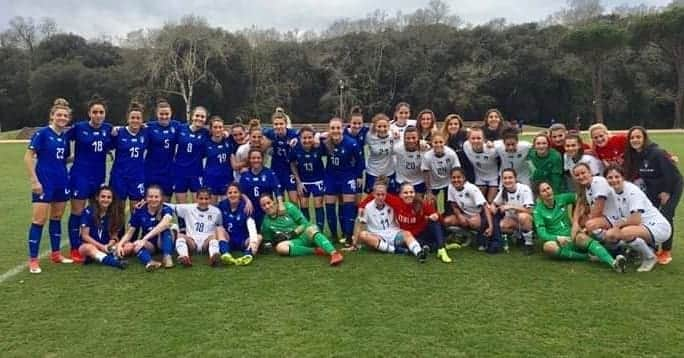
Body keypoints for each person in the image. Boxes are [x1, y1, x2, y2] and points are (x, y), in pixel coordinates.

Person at [25, 98, 75, 273]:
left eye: (65, 115)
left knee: (56, 218)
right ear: (52, 116)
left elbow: (64, 158)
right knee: (39, 220)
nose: (62, 118)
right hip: (44, 182)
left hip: (62, 180)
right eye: (59, 115)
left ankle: (56, 254)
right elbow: (28, 157)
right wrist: (34, 180)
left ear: (68, 118)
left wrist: (81, 156)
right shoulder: (42, 134)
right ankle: (33, 260)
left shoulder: (64, 137)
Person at [533, 181, 626, 272]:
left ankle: (613, 263)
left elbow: (580, 197)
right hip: (559, 242)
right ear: (539, 195)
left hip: (573, 237)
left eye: (548, 188)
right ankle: (587, 257)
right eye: (543, 191)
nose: (547, 192)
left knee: (582, 237)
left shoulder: (561, 198)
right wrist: (557, 238)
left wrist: (577, 216)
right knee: (548, 246)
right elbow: (542, 234)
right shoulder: (538, 211)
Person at [623, 126, 682, 265]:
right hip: (653, 189)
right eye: (632, 138)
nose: (635, 140)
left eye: (638, 137)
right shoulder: (636, 154)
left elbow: (671, 174)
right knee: (650, 217)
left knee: (666, 216)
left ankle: (666, 251)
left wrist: (666, 191)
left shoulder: (657, 153)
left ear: (644, 138)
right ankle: (653, 247)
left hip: (671, 186)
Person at [66, 95, 113, 263]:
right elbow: (62, 136)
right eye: (95, 112)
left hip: (98, 177)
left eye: (101, 112)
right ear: (89, 113)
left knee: (95, 211)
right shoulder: (79, 128)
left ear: (105, 114)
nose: (98, 115)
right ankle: (74, 247)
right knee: (77, 212)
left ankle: (94, 241)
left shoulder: (109, 129)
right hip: (80, 176)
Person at [358, 181, 452, 263]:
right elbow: (376, 194)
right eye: (405, 193)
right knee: (410, 243)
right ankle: (429, 247)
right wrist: (362, 206)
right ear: (400, 195)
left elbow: (438, 217)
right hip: (410, 237)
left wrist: (435, 216)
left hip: (421, 232)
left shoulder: (421, 203)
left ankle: (441, 248)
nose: (409, 195)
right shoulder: (395, 201)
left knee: (433, 221)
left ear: (414, 193)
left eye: (411, 192)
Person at [603, 166, 672, 272]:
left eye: (617, 176)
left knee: (625, 232)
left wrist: (619, 225)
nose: (614, 180)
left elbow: (636, 220)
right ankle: (637, 252)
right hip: (642, 226)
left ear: (623, 177)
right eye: (610, 177)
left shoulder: (632, 191)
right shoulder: (613, 191)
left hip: (658, 227)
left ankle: (650, 257)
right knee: (610, 235)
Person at [259, 194, 344, 266]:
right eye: (263, 205)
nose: (267, 206)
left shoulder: (288, 207)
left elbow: (305, 224)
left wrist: (291, 234)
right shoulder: (266, 223)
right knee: (280, 248)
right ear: (261, 208)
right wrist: (270, 244)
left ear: (274, 201)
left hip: (306, 234)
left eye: (268, 203)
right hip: (296, 242)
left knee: (311, 228)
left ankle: (334, 253)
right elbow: (268, 241)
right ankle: (316, 251)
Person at [322, 117, 365, 245]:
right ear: (329, 130)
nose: (335, 131)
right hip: (330, 176)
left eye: (338, 128)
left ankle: (348, 236)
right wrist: (317, 136)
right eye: (332, 128)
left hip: (347, 176)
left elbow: (360, 161)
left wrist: (358, 176)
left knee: (348, 206)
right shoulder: (325, 143)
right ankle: (334, 236)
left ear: (343, 129)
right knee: (329, 206)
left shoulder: (351, 143)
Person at [115, 186, 175, 271]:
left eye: (156, 197)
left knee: (165, 229)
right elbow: (130, 232)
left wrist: (144, 238)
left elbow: (165, 223)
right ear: (146, 198)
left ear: (161, 198)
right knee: (136, 245)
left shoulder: (166, 208)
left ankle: (167, 256)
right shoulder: (140, 210)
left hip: (162, 240)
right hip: (150, 244)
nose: (153, 199)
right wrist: (120, 245)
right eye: (150, 196)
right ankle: (150, 262)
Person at [169, 188, 225, 267]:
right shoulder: (188, 208)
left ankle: (213, 256)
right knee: (180, 236)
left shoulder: (216, 211)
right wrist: (153, 201)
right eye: (201, 198)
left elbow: (219, 226)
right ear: (196, 198)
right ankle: (185, 257)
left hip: (206, 242)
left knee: (214, 238)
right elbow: (171, 206)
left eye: (206, 199)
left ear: (210, 199)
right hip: (192, 242)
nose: (204, 201)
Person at [443, 168, 494, 251]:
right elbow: (453, 204)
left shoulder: (471, 188)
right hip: (465, 214)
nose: (456, 180)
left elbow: (485, 207)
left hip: (479, 214)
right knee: (447, 221)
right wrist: (459, 215)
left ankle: (479, 238)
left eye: (459, 177)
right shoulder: (451, 187)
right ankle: (463, 235)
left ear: (464, 178)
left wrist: (491, 226)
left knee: (473, 223)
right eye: (453, 177)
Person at [110, 101, 147, 214]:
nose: (135, 120)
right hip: (119, 176)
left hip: (137, 176)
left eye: (138, 118)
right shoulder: (119, 133)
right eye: (132, 118)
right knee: (118, 209)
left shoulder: (146, 132)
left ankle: (134, 232)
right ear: (127, 119)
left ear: (142, 120)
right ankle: (119, 232)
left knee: (136, 209)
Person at [78, 186, 127, 269]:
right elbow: (84, 236)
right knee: (88, 248)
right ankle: (114, 262)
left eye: (109, 197)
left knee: (128, 246)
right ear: (97, 198)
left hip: (106, 246)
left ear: (112, 199)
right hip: (90, 245)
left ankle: (101, 257)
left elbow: (114, 235)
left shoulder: (114, 212)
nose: (106, 199)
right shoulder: (88, 211)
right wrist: (102, 247)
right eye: (103, 196)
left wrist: (112, 242)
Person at [489, 169, 535, 255]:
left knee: (523, 216)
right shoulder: (503, 190)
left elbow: (530, 210)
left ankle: (529, 243)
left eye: (510, 178)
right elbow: (494, 204)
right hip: (513, 219)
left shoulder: (524, 189)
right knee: (501, 225)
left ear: (515, 178)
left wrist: (511, 206)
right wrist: (493, 208)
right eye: (505, 178)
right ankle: (518, 235)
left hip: (527, 218)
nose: (507, 180)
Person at [290, 126, 326, 230]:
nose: (307, 140)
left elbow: (329, 135)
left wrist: (318, 135)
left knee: (318, 204)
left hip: (318, 180)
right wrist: (298, 182)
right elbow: (292, 163)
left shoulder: (319, 145)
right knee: (304, 205)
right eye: (304, 138)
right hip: (303, 181)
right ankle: (307, 231)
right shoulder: (295, 148)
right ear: (300, 138)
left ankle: (319, 232)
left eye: (310, 137)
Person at [217, 184, 261, 266]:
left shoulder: (247, 207)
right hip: (229, 239)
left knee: (258, 237)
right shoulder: (221, 205)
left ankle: (248, 255)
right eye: (230, 193)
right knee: (219, 229)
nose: (232, 195)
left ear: (240, 194)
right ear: (226, 195)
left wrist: (253, 241)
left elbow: (251, 225)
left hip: (243, 241)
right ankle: (225, 253)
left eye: (235, 192)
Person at [173, 106, 209, 203]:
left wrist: (225, 133)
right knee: (181, 207)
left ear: (205, 119)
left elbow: (219, 135)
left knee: (199, 206)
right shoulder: (181, 128)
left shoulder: (206, 133)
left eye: (202, 117)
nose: (199, 118)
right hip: (180, 172)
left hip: (196, 173)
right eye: (197, 115)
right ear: (192, 117)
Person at [145, 98, 179, 200]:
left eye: (166, 114)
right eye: (161, 114)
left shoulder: (177, 126)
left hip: (168, 171)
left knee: (165, 203)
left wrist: (224, 134)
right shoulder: (149, 127)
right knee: (150, 202)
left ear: (171, 113)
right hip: (151, 171)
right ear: (157, 114)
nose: (164, 117)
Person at [239, 149, 282, 227]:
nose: (256, 160)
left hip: (266, 209)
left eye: (258, 158)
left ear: (262, 159)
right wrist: (247, 200)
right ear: (249, 159)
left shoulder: (269, 173)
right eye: (253, 158)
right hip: (251, 210)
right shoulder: (245, 175)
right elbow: (241, 192)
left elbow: (277, 189)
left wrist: (280, 203)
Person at [263, 112, 299, 204]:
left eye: (281, 124)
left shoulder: (293, 134)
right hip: (276, 169)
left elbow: (308, 132)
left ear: (286, 124)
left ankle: (294, 218)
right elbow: (256, 131)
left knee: (294, 201)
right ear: (273, 125)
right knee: (280, 201)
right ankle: (282, 218)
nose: (278, 126)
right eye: (276, 124)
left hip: (290, 170)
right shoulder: (270, 133)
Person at [422, 133, 460, 211]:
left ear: (444, 142)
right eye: (435, 142)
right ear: (431, 143)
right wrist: (429, 191)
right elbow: (426, 173)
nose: (438, 145)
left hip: (449, 183)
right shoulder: (427, 156)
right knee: (433, 206)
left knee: (451, 207)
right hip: (434, 185)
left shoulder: (451, 154)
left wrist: (456, 187)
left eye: (440, 142)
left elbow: (456, 170)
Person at [463, 126, 500, 202]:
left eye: (479, 138)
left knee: (490, 201)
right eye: (473, 138)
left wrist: (494, 143)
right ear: (469, 139)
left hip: (493, 177)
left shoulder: (491, 150)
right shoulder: (466, 146)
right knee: (479, 201)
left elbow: (504, 144)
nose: (476, 141)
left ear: (484, 139)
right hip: (479, 177)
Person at [204, 116, 234, 203]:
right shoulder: (206, 143)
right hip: (211, 180)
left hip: (226, 179)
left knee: (226, 208)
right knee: (212, 209)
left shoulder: (228, 141)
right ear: (211, 129)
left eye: (220, 127)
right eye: (215, 127)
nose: (218, 130)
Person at [364, 113, 396, 193]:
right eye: (379, 126)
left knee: (391, 199)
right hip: (373, 172)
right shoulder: (369, 136)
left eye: (385, 126)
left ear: (388, 126)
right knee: (372, 198)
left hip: (389, 172)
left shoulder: (393, 135)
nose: (382, 129)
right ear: (375, 127)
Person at [393, 126, 426, 196]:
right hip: (401, 181)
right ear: (404, 139)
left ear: (418, 138)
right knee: (401, 206)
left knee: (418, 205)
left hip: (418, 182)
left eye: (414, 138)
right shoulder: (398, 148)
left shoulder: (424, 148)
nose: (411, 141)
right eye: (408, 138)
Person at [442, 114, 475, 183]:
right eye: (450, 124)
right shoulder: (443, 140)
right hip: (452, 174)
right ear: (447, 126)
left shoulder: (466, 135)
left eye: (455, 124)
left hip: (468, 171)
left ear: (459, 125)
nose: (453, 126)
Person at [344, 106, 369, 195]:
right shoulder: (343, 133)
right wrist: (317, 136)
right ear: (349, 122)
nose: (357, 126)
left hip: (358, 170)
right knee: (345, 198)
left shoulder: (365, 131)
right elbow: (326, 134)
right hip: (345, 170)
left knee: (357, 198)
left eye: (360, 123)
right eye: (354, 123)